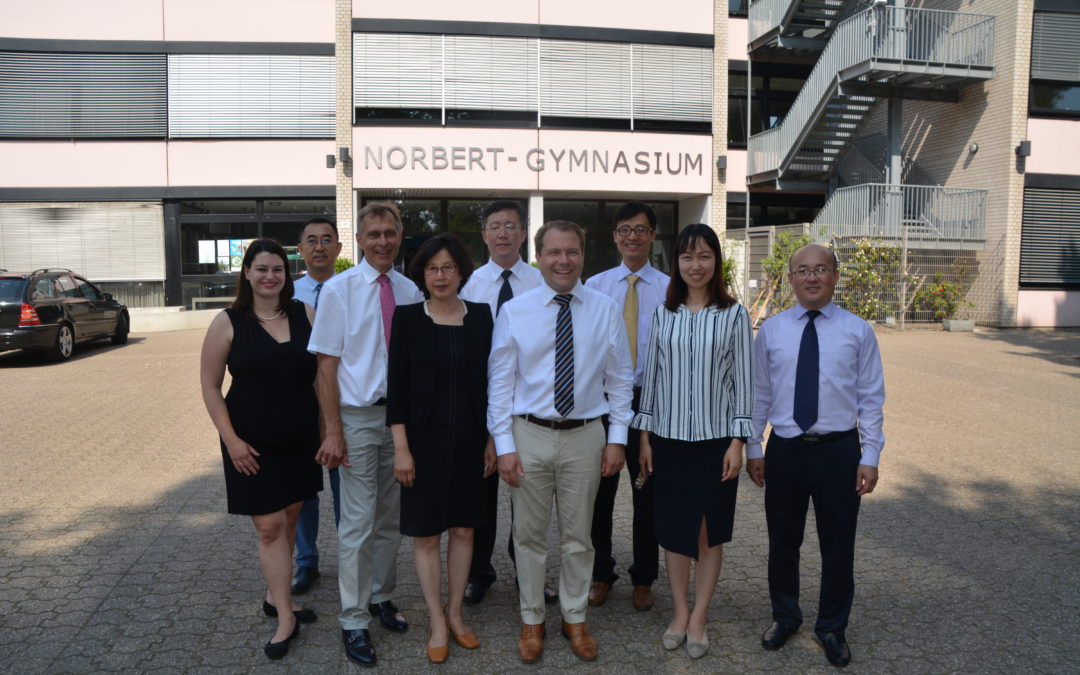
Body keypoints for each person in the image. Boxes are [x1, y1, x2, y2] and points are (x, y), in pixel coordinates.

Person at [488, 220, 634, 664]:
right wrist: (504, 444)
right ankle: (532, 619)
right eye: (554, 252)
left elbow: (621, 380)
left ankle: (574, 618)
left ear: (583, 256)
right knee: (528, 538)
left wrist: (617, 439)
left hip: (586, 437)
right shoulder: (516, 310)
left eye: (571, 252)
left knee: (579, 538)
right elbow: (499, 383)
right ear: (539, 256)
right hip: (528, 434)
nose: (563, 260)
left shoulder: (605, 309)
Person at [746, 243, 885, 668]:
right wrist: (755, 445)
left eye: (821, 269)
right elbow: (760, 394)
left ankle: (831, 628)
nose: (811, 277)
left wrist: (871, 455)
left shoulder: (858, 331)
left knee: (838, 546)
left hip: (839, 453)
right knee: (783, 543)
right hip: (785, 451)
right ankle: (785, 616)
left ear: (835, 276)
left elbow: (871, 398)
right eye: (802, 270)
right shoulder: (772, 330)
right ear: (790, 279)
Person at [307, 202, 424, 667]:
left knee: (391, 517)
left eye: (389, 233)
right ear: (358, 238)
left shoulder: (409, 289)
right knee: (356, 522)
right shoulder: (338, 290)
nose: (381, 241)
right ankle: (354, 620)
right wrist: (332, 431)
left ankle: (381, 595)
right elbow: (325, 367)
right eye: (372, 233)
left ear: (399, 236)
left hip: (400, 420)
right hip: (356, 418)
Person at [634, 224, 753, 660]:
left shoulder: (735, 315)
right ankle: (679, 611)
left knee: (708, 533)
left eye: (704, 256)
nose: (695, 265)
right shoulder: (664, 314)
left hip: (715, 441)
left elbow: (745, 383)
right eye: (687, 257)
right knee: (674, 532)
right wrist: (643, 437)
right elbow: (652, 380)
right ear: (676, 263)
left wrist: (738, 442)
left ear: (716, 261)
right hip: (667, 441)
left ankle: (701, 614)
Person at [199, 238, 322, 661]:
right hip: (250, 443)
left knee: (290, 516)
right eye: (262, 268)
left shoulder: (305, 313)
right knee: (269, 527)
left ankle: (277, 596)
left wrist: (328, 432)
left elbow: (321, 377)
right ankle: (285, 615)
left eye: (278, 269)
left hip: (299, 438)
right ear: (247, 273)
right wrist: (231, 442)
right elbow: (211, 388)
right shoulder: (227, 322)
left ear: (286, 276)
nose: (270, 276)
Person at [387, 233, 496, 663]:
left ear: (461, 272)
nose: (440, 275)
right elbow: (397, 387)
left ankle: (455, 614)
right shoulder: (409, 318)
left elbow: (495, 384)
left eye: (448, 267)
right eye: (432, 268)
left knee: (466, 529)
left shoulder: (484, 317)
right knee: (428, 535)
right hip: (422, 444)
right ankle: (435, 618)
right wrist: (401, 448)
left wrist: (493, 439)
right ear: (422, 274)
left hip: (472, 441)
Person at [584, 202, 668, 612]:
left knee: (647, 493)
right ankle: (601, 573)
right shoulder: (595, 287)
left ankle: (644, 577)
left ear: (653, 235)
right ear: (615, 236)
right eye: (624, 229)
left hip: (651, 404)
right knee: (599, 494)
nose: (632, 236)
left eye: (640, 229)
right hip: (603, 403)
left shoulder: (671, 289)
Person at [458, 200, 544, 605]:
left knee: (528, 493)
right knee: (479, 492)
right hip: (479, 402)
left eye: (511, 226)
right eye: (496, 226)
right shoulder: (470, 284)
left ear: (524, 233)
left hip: (528, 400)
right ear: (485, 235)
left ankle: (528, 569)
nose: (504, 233)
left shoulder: (542, 282)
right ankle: (480, 571)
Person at [291, 217, 343, 595]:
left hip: (345, 403)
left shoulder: (351, 289)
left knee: (348, 491)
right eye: (312, 240)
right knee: (304, 491)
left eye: (327, 239)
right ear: (301, 249)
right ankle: (306, 561)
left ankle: (352, 560)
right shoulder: (287, 295)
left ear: (340, 248)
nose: (320, 246)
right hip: (300, 407)